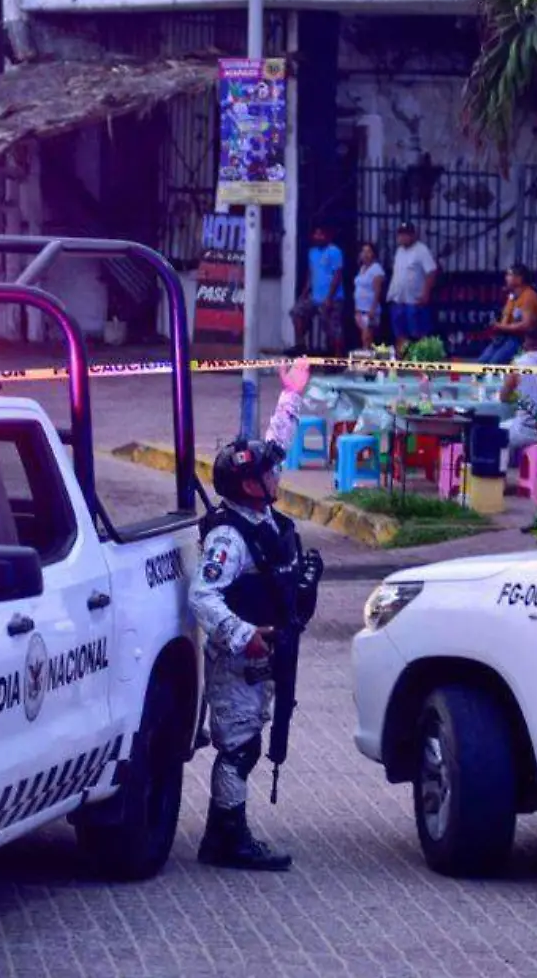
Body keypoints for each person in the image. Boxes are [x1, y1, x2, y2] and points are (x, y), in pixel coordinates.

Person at [190, 357, 322, 872]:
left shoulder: (262, 513)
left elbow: (276, 443)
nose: (276, 472)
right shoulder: (229, 538)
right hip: (238, 660)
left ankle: (220, 835)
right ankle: (228, 840)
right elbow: (204, 596)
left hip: (268, 657)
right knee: (239, 748)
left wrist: (290, 395)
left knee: (252, 737)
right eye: (267, 472)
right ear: (249, 485)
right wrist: (243, 634)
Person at [499, 329, 537, 453]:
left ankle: (505, 468)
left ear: (525, 344)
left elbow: (504, 397)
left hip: (524, 432)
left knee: (499, 429)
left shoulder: (517, 364)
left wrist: (518, 395)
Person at [290, 226, 345, 357]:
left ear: (327, 236)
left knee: (332, 328)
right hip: (315, 298)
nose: (318, 237)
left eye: (321, 234)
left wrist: (329, 298)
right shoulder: (312, 252)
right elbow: (311, 275)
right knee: (296, 312)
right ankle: (301, 346)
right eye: (316, 234)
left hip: (333, 298)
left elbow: (337, 275)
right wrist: (304, 294)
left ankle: (337, 358)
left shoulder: (335, 251)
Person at [386, 222, 438, 357]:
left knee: (418, 333)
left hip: (414, 300)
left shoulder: (421, 250)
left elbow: (431, 272)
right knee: (399, 333)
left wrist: (426, 293)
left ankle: (421, 362)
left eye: (406, 235)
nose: (402, 238)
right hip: (398, 299)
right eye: (401, 235)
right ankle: (402, 362)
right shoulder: (399, 251)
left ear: (413, 235)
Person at [476, 264, 537, 365]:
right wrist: (497, 328)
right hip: (504, 337)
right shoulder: (512, 296)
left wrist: (501, 327)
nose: (506, 278)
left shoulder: (529, 296)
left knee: (495, 364)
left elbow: (526, 325)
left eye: (509, 275)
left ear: (519, 278)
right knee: (480, 363)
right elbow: (505, 318)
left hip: (520, 339)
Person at [352, 241, 387, 350]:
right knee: (364, 336)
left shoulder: (376, 269)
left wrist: (372, 309)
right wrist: (356, 309)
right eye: (363, 251)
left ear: (374, 254)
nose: (365, 254)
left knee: (367, 336)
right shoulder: (362, 269)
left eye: (369, 251)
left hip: (370, 310)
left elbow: (378, 291)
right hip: (360, 309)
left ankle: (368, 359)